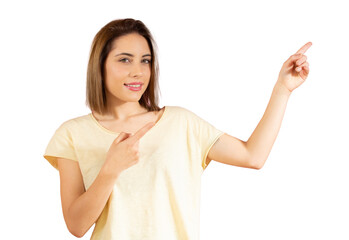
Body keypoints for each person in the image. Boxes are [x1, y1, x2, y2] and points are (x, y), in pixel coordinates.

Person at [43, 18, 311, 240]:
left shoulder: (181, 123)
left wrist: (282, 89)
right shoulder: (71, 134)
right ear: (99, 66)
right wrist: (111, 168)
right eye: (125, 60)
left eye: (145, 60)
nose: (138, 71)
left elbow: (253, 156)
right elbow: (76, 226)